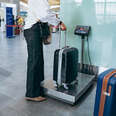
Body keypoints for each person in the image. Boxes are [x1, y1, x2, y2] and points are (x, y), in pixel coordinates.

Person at [24, 0, 66, 102]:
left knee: (37, 61)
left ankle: (36, 90)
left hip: (33, 30)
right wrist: (58, 22)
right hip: (33, 30)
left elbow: (44, 13)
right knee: (34, 62)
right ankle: (31, 94)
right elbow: (44, 14)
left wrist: (55, 18)